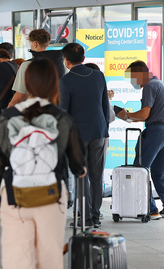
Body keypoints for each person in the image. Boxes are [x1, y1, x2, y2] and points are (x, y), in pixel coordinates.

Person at [0, 58, 86, 269]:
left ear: (27, 83)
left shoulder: (8, 117)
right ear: (54, 84)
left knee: (17, 259)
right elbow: (78, 164)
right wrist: (80, 169)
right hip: (51, 197)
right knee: (50, 261)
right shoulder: (62, 118)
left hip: (14, 197)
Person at [117, 60, 164, 219]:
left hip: (156, 131)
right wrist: (131, 117)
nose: (132, 83)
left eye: (132, 78)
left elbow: (145, 114)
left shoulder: (149, 87)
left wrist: (126, 115)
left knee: (140, 169)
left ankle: (150, 209)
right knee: (158, 172)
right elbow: (152, 113)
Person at [59, 43, 109, 228]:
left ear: (66, 61)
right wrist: (105, 130)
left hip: (78, 136)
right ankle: (95, 216)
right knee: (97, 176)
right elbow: (105, 106)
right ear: (83, 57)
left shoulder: (66, 81)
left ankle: (85, 218)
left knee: (82, 176)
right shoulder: (98, 76)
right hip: (99, 132)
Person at [8, 29, 66, 107]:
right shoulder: (61, 64)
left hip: (36, 112)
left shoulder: (27, 65)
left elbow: (18, 97)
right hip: (57, 111)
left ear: (35, 44)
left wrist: (6, 114)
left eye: (30, 43)